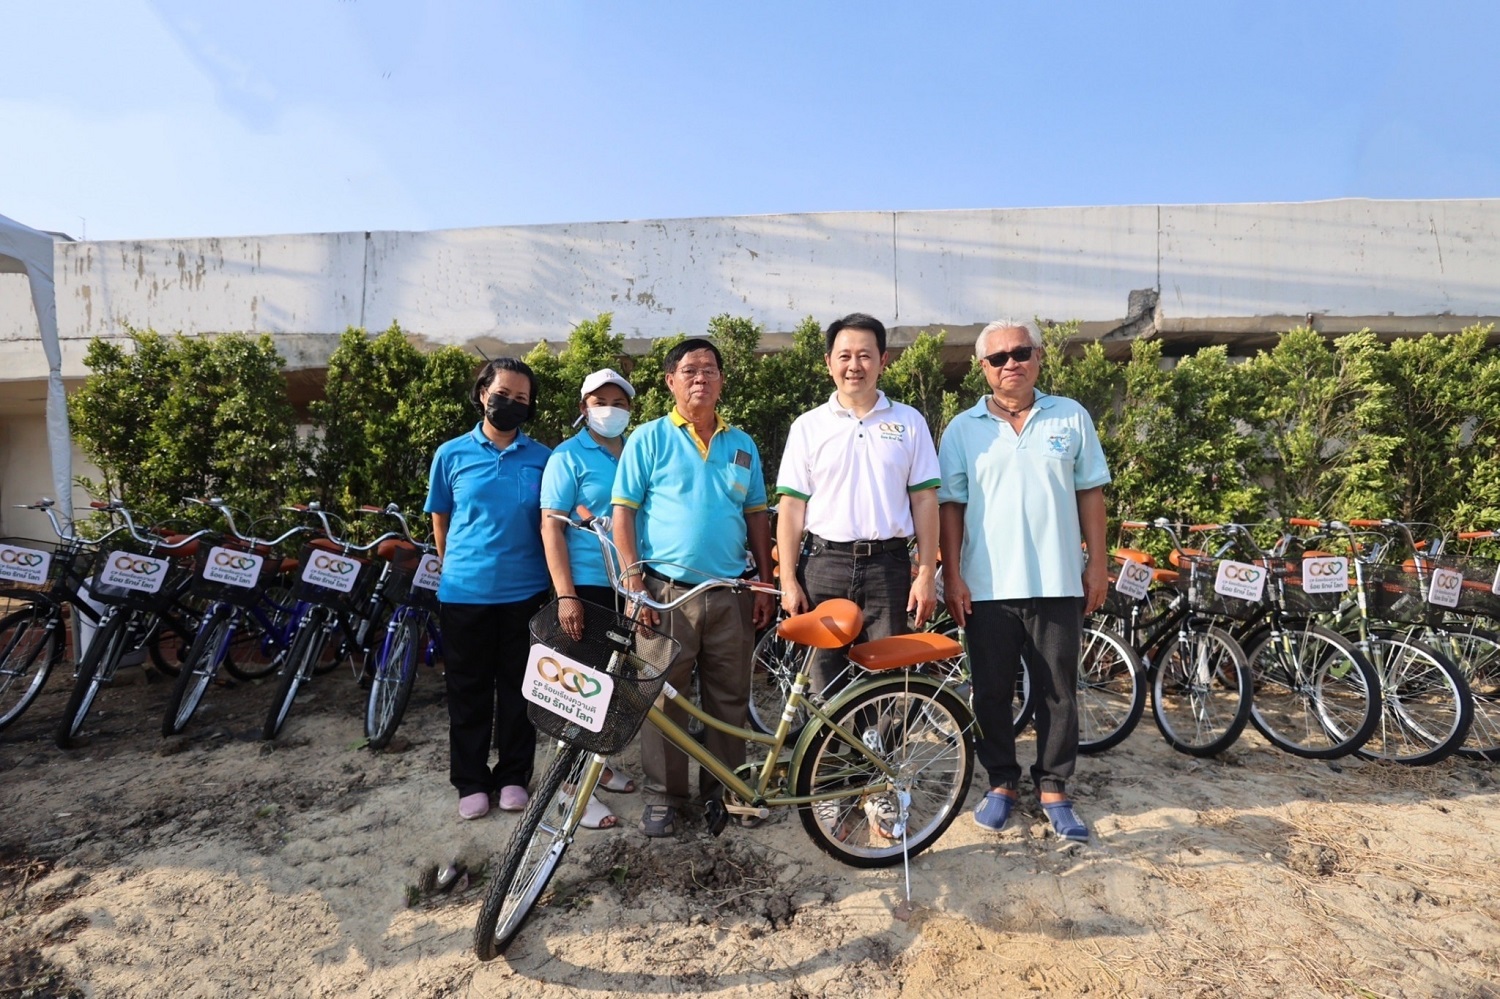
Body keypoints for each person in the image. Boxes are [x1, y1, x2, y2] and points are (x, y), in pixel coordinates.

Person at [937, 319, 1110, 843]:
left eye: (1020, 352)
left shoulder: (1071, 416)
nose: (1010, 363)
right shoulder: (962, 429)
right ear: (982, 368)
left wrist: (1097, 564)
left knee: (1059, 691)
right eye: (998, 358)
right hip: (986, 587)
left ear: (1038, 357)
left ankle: (1055, 786)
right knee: (991, 692)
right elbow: (951, 506)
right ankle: (1002, 782)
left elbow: (1091, 495)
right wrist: (953, 574)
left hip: (1057, 581)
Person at [611, 337, 776, 837]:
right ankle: (665, 796)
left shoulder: (742, 445)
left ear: (722, 381)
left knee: (729, 696)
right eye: (689, 370)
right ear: (670, 381)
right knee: (663, 699)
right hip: (664, 594)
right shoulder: (649, 439)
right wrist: (633, 582)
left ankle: (725, 789)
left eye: (709, 369)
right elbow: (624, 513)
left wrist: (766, 583)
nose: (700, 377)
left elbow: (756, 517)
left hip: (731, 593)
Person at [775, 312, 941, 696]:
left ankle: (874, 756)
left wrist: (927, 573)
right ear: (829, 362)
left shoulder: (910, 422)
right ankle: (829, 758)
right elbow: (791, 508)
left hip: (889, 567)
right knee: (822, 684)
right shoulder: (808, 426)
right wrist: (787, 579)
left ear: (883, 361)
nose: (854, 366)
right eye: (844, 355)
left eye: (865, 355)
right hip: (824, 567)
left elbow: (925, 499)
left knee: (885, 682)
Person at [424, 357, 552, 821]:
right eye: (503, 394)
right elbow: (441, 516)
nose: (511, 404)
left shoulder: (543, 458)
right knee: (468, 690)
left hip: (527, 594)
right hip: (465, 594)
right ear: (482, 394)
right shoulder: (451, 454)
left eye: (522, 398)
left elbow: (550, 521)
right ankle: (472, 780)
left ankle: (514, 776)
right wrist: (453, 563)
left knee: (522, 691)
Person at [539, 367, 641, 830]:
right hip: (587, 585)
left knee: (615, 682)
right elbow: (552, 527)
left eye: (619, 403)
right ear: (584, 408)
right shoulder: (567, 456)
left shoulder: (637, 452)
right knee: (579, 687)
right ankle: (567, 788)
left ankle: (594, 766)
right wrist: (566, 595)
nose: (611, 411)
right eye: (601, 402)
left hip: (631, 586)